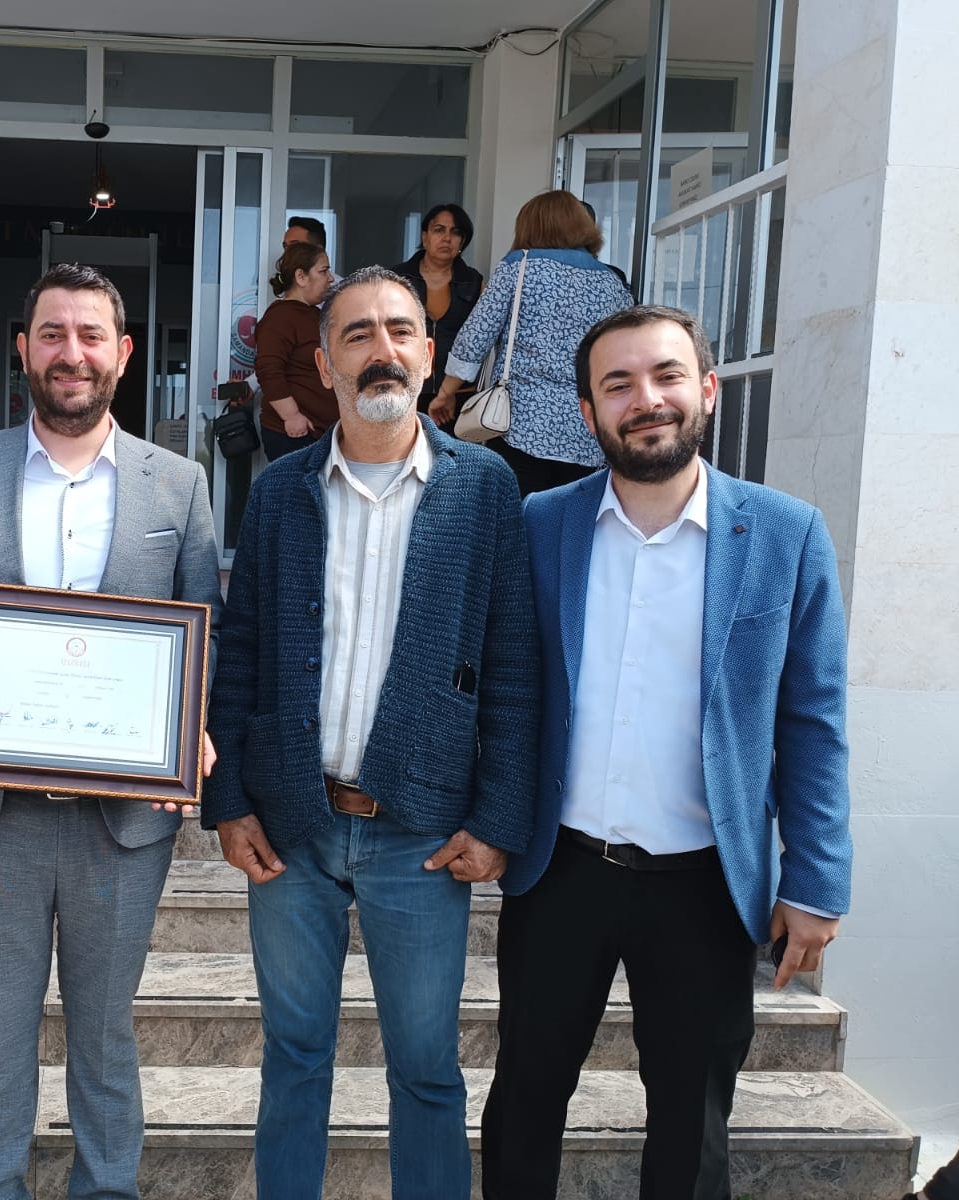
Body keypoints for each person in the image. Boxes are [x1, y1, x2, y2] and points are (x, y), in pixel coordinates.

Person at [482, 305, 853, 1199]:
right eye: (618, 385)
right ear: (587, 412)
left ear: (708, 390)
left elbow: (813, 719)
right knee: (524, 1101)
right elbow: (504, 688)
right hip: (561, 873)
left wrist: (815, 880)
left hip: (705, 885)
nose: (645, 399)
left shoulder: (787, 533)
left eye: (667, 375)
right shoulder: (541, 525)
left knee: (692, 1126)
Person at [203, 265, 540, 1200]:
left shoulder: (486, 489)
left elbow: (514, 666)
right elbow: (242, 650)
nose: (381, 349)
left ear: (429, 354)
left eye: (399, 330)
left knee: (426, 1068)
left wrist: (497, 819)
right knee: (294, 1056)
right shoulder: (281, 492)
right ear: (325, 365)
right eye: (356, 334)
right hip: (292, 828)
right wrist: (228, 798)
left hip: (421, 833)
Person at [0, 263, 223, 1200]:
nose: (70, 353)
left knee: (106, 1032)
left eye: (89, 335)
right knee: (0, 1033)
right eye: (51, 334)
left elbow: (204, 630)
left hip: (122, 822)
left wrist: (190, 720)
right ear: (23, 349)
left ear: (122, 352)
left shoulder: (179, 484)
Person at [431, 189, 632, 496]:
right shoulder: (611, 283)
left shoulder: (519, 267)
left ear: (531, 225)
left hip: (521, 426)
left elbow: (477, 335)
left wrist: (446, 393)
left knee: (520, 515)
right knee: (573, 516)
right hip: (588, 430)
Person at [391, 201, 484, 410]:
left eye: (455, 232)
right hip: (404, 389)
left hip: (458, 394)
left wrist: (450, 391)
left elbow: (480, 339)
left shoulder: (473, 282)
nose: (447, 238)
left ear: (463, 241)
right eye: (439, 230)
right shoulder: (397, 278)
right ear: (425, 237)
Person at [256, 241, 339, 461]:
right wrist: (291, 416)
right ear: (301, 277)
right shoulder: (280, 317)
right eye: (323, 271)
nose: (330, 278)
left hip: (321, 432)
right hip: (295, 434)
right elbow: (268, 370)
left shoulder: (314, 314)